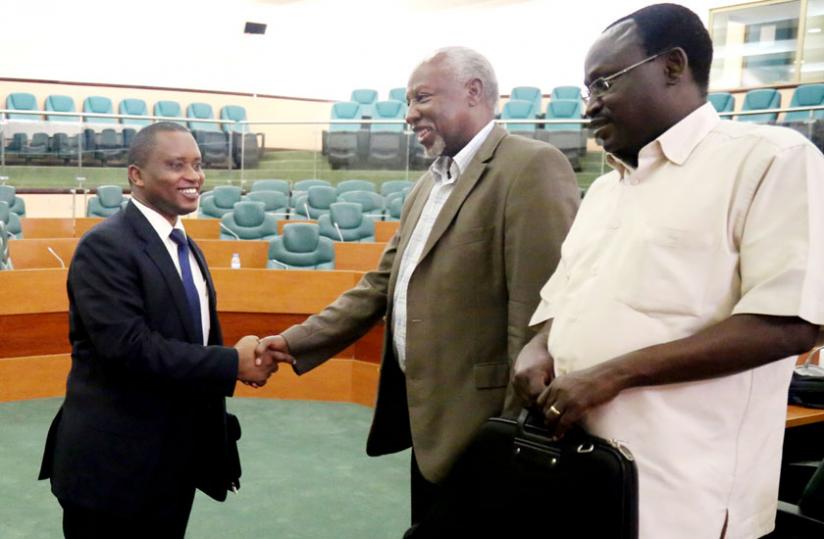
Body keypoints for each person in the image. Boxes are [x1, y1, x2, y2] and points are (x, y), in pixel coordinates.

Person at [513, 4, 824, 538]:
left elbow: (792, 322)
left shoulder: (770, 160)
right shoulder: (606, 190)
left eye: (603, 83)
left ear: (673, 66)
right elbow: (561, 303)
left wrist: (611, 375)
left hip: (685, 500)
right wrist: (538, 348)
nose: (590, 106)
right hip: (583, 477)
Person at [259, 46, 580, 533]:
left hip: (487, 429)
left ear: (473, 92)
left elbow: (540, 312)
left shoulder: (531, 166)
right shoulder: (427, 186)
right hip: (430, 426)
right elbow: (380, 285)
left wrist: (511, 433)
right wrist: (295, 341)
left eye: (422, 98)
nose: (409, 114)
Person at [38, 122, 284, 539]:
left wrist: (233, 360)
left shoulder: (185, 245)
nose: (193, 176)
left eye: (197, 164)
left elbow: (189, 339)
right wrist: (232, 363)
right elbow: (129, 348)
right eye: (175, 165)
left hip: (173, 466)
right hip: (113, 471)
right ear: (137, 175)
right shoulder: (106, 246)